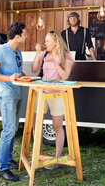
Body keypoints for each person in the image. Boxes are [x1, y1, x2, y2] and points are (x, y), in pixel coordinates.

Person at [0, 22, 27, 182]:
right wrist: (9, 78)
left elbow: (16, 71)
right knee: (8, 129)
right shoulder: (0, 50)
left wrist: (25, 75)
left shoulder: (18, 52)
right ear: (17, 36)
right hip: (6, 94)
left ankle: (8, 160)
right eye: (25, 33)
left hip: (17, 93)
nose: (27, 36)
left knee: (13, 128)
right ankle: (1, 168)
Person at [31, 31, 74, 169]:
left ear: (56, 42)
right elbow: (34, 69)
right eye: (45, 41)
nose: (45, 43)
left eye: (48, 41)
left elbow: (65, 76)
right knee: (36, 125)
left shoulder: (65, 56)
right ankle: (39, 155)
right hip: (42, 92)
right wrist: (38, 53)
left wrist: (55, 62)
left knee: (57, 127)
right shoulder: (45, 54)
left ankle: (57, 158)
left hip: (57, 95)